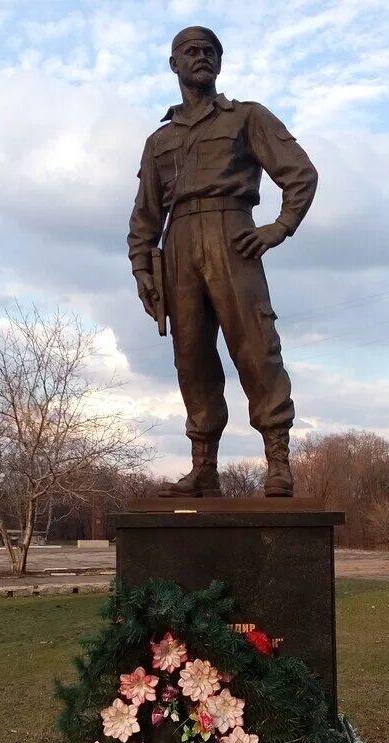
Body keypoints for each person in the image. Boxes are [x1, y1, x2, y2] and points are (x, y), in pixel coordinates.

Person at [128, 26, 318, 497]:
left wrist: (279, 226)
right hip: (179, 244)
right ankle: (204, 466)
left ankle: (278, 462)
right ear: (174, 64)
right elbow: (146, 214)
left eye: (211, 51)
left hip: (233, 234)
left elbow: (300, 174)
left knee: (255, 347)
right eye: (191, 51)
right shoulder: (159, 141)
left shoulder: (246, 117)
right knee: (190, 358)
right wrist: (141, 270)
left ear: (220, 62)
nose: (202, 57)